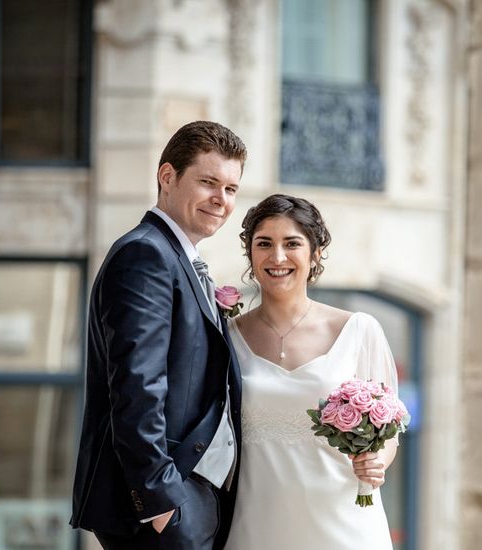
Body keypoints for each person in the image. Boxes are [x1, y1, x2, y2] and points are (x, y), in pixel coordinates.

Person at [70, 121, 246, 550]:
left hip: (193, 498)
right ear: (167, 176)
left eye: (231, 189)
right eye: (208, 182)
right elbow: (136, 386)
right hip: (163, 506)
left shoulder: (177, 258)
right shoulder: (145, 254)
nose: (221, 201)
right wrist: (161, 502)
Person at [223, 194, 400, 550]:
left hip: (344, 524)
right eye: (264, 244)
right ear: (250, 254)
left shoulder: (359, 330)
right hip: (257, 524)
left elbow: (390, 431)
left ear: (315, 253)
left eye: (292, 244)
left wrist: (376, 462)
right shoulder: (227, 337)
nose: (277, 257)